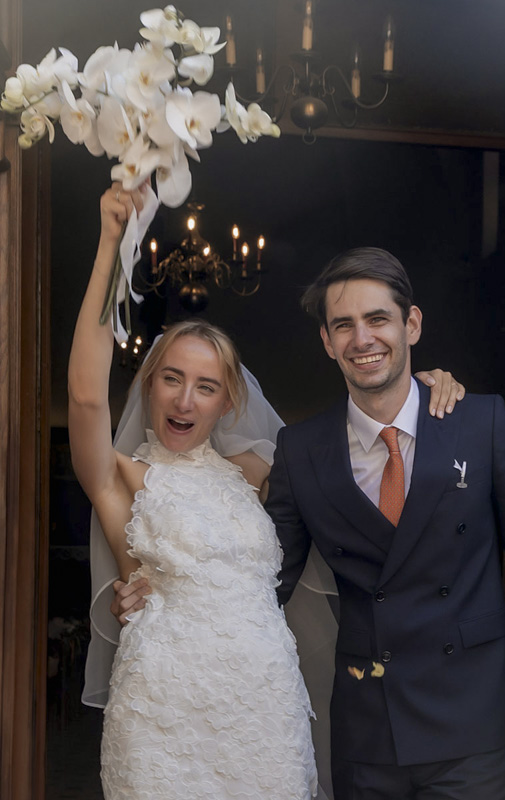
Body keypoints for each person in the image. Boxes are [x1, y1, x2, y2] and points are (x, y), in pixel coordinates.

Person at [69, 183, 319, 800]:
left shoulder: (259, 473)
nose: (184, 399)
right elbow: (84, 396)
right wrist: (113, 245)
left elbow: (360, 456)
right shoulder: (121, 474)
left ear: (228, 401)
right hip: (163, 712)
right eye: (172, 380)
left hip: (264, 713)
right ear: (149, 386)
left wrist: (426, 384)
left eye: (205, 386)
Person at [264, 246, 505, 800]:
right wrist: (172, 597)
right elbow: (265, 581)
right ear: (326, 342)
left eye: (377, 319)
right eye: (344, 325)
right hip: (367, 734)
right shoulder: (300, 450)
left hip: (473, 728)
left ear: (411, 324)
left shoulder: (481, 424)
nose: (362, 339)